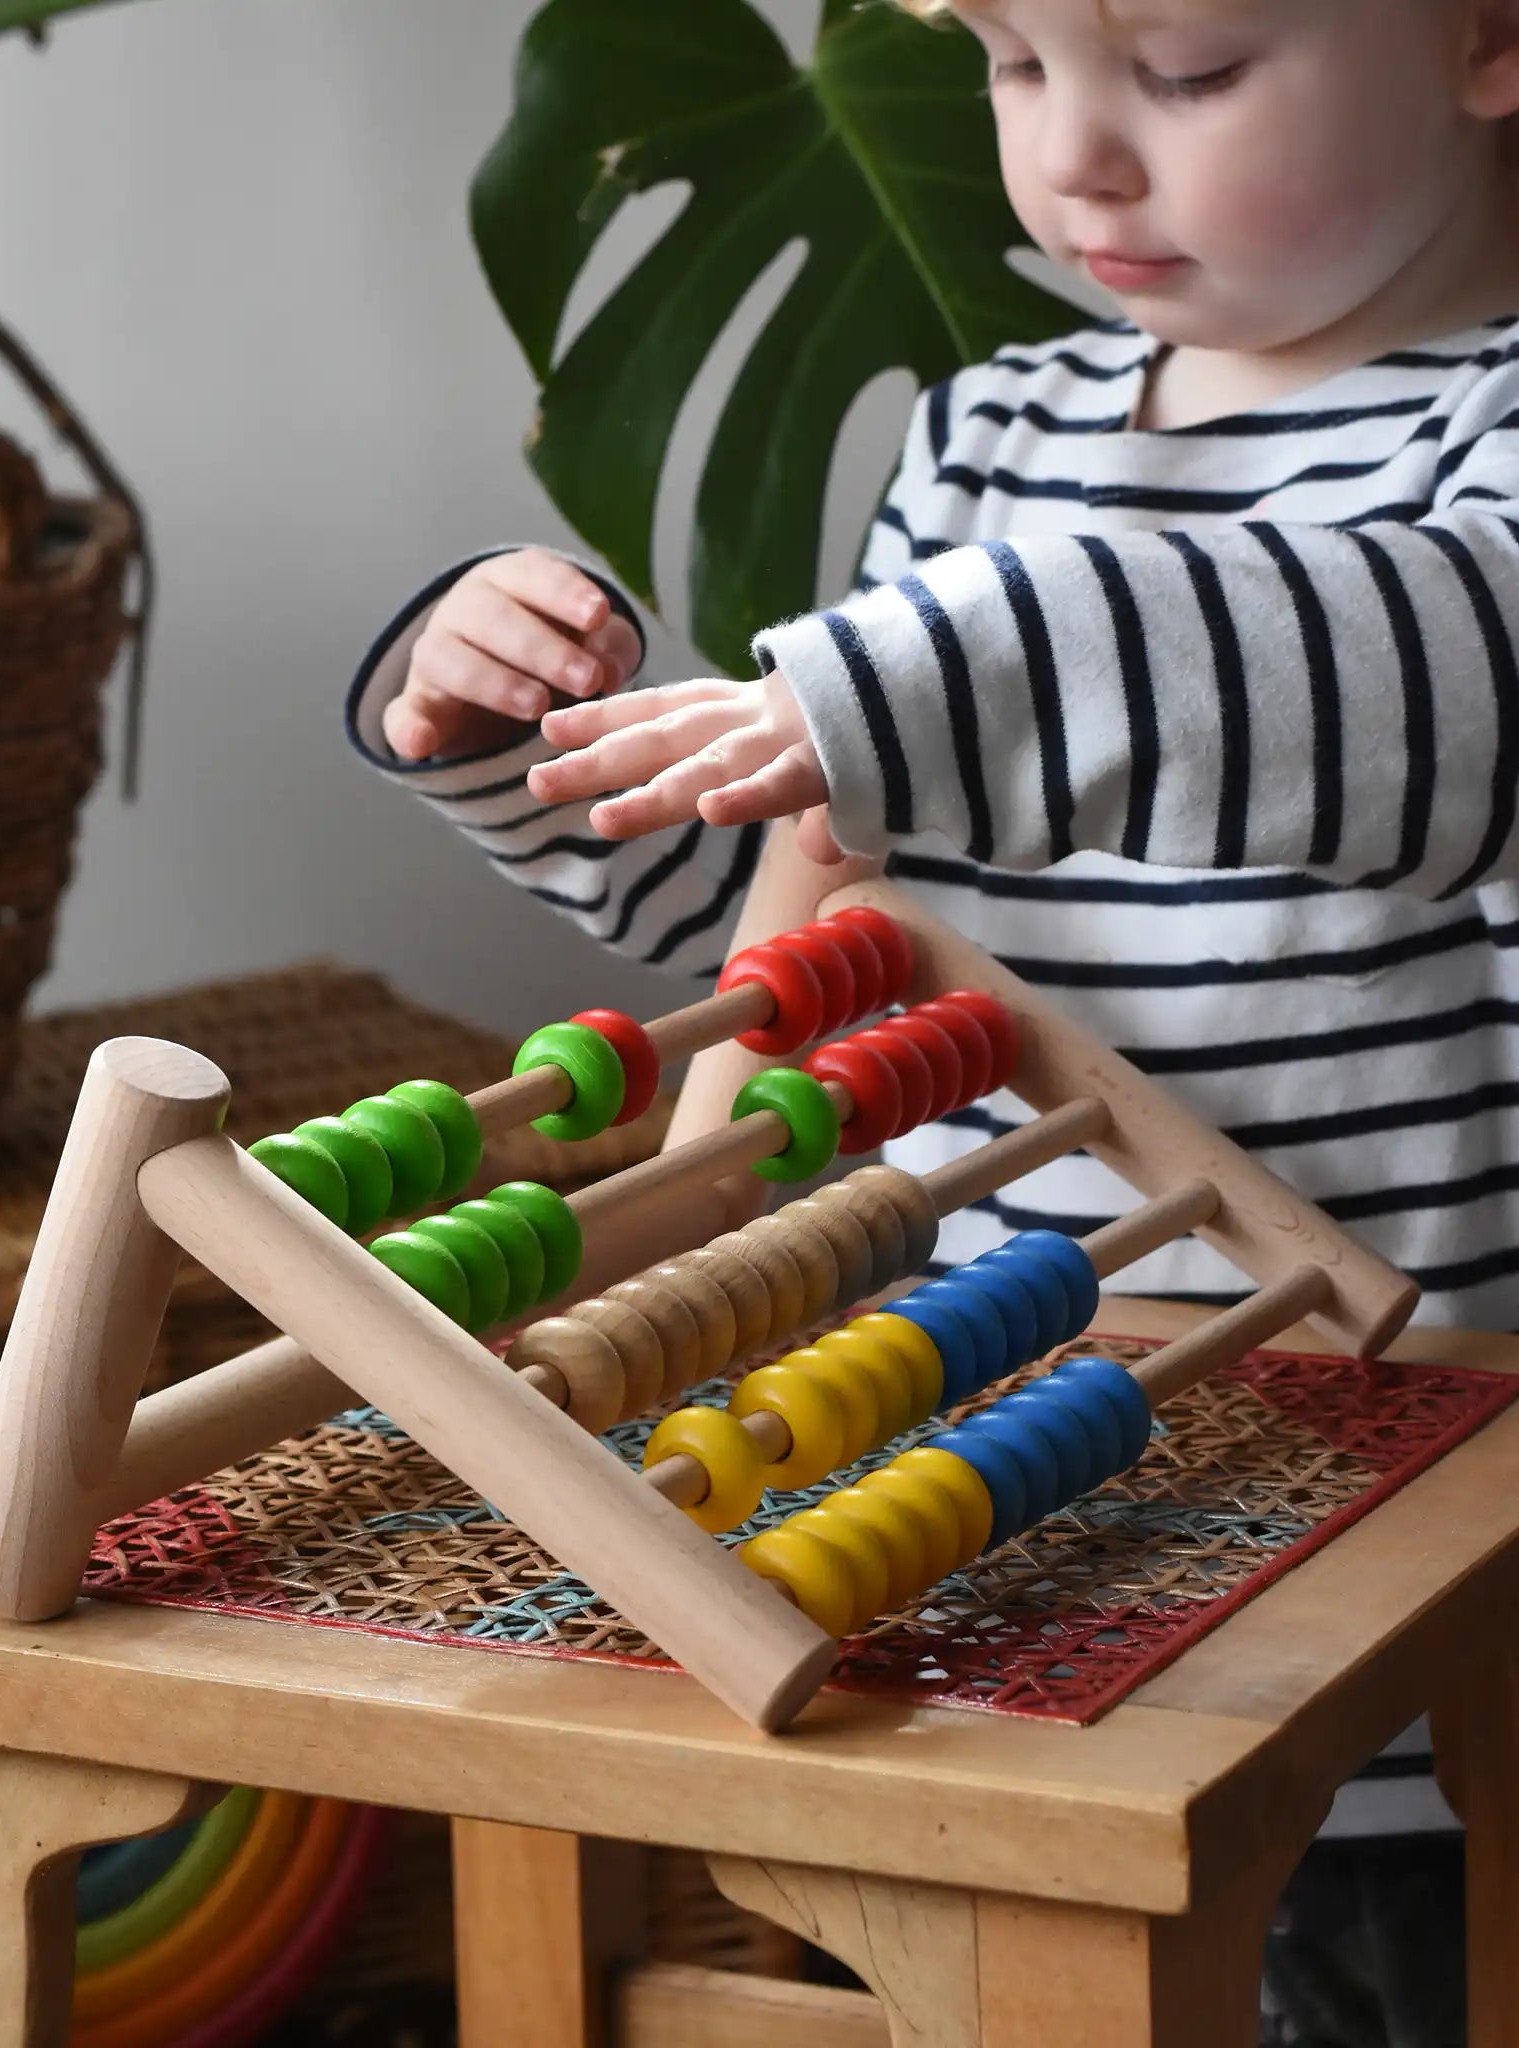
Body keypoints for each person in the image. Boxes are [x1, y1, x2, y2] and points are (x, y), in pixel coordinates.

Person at [347, 3, 1519, 2038]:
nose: (1071, 158)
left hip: (1372, 1573)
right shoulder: (994, 436)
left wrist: (924, 679)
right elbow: (823, 925)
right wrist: (527, 743)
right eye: (1008, 61)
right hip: (959, 1471)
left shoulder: (1477, 441)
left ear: (1483, 39)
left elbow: (1431, 676)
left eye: (1186, 71)